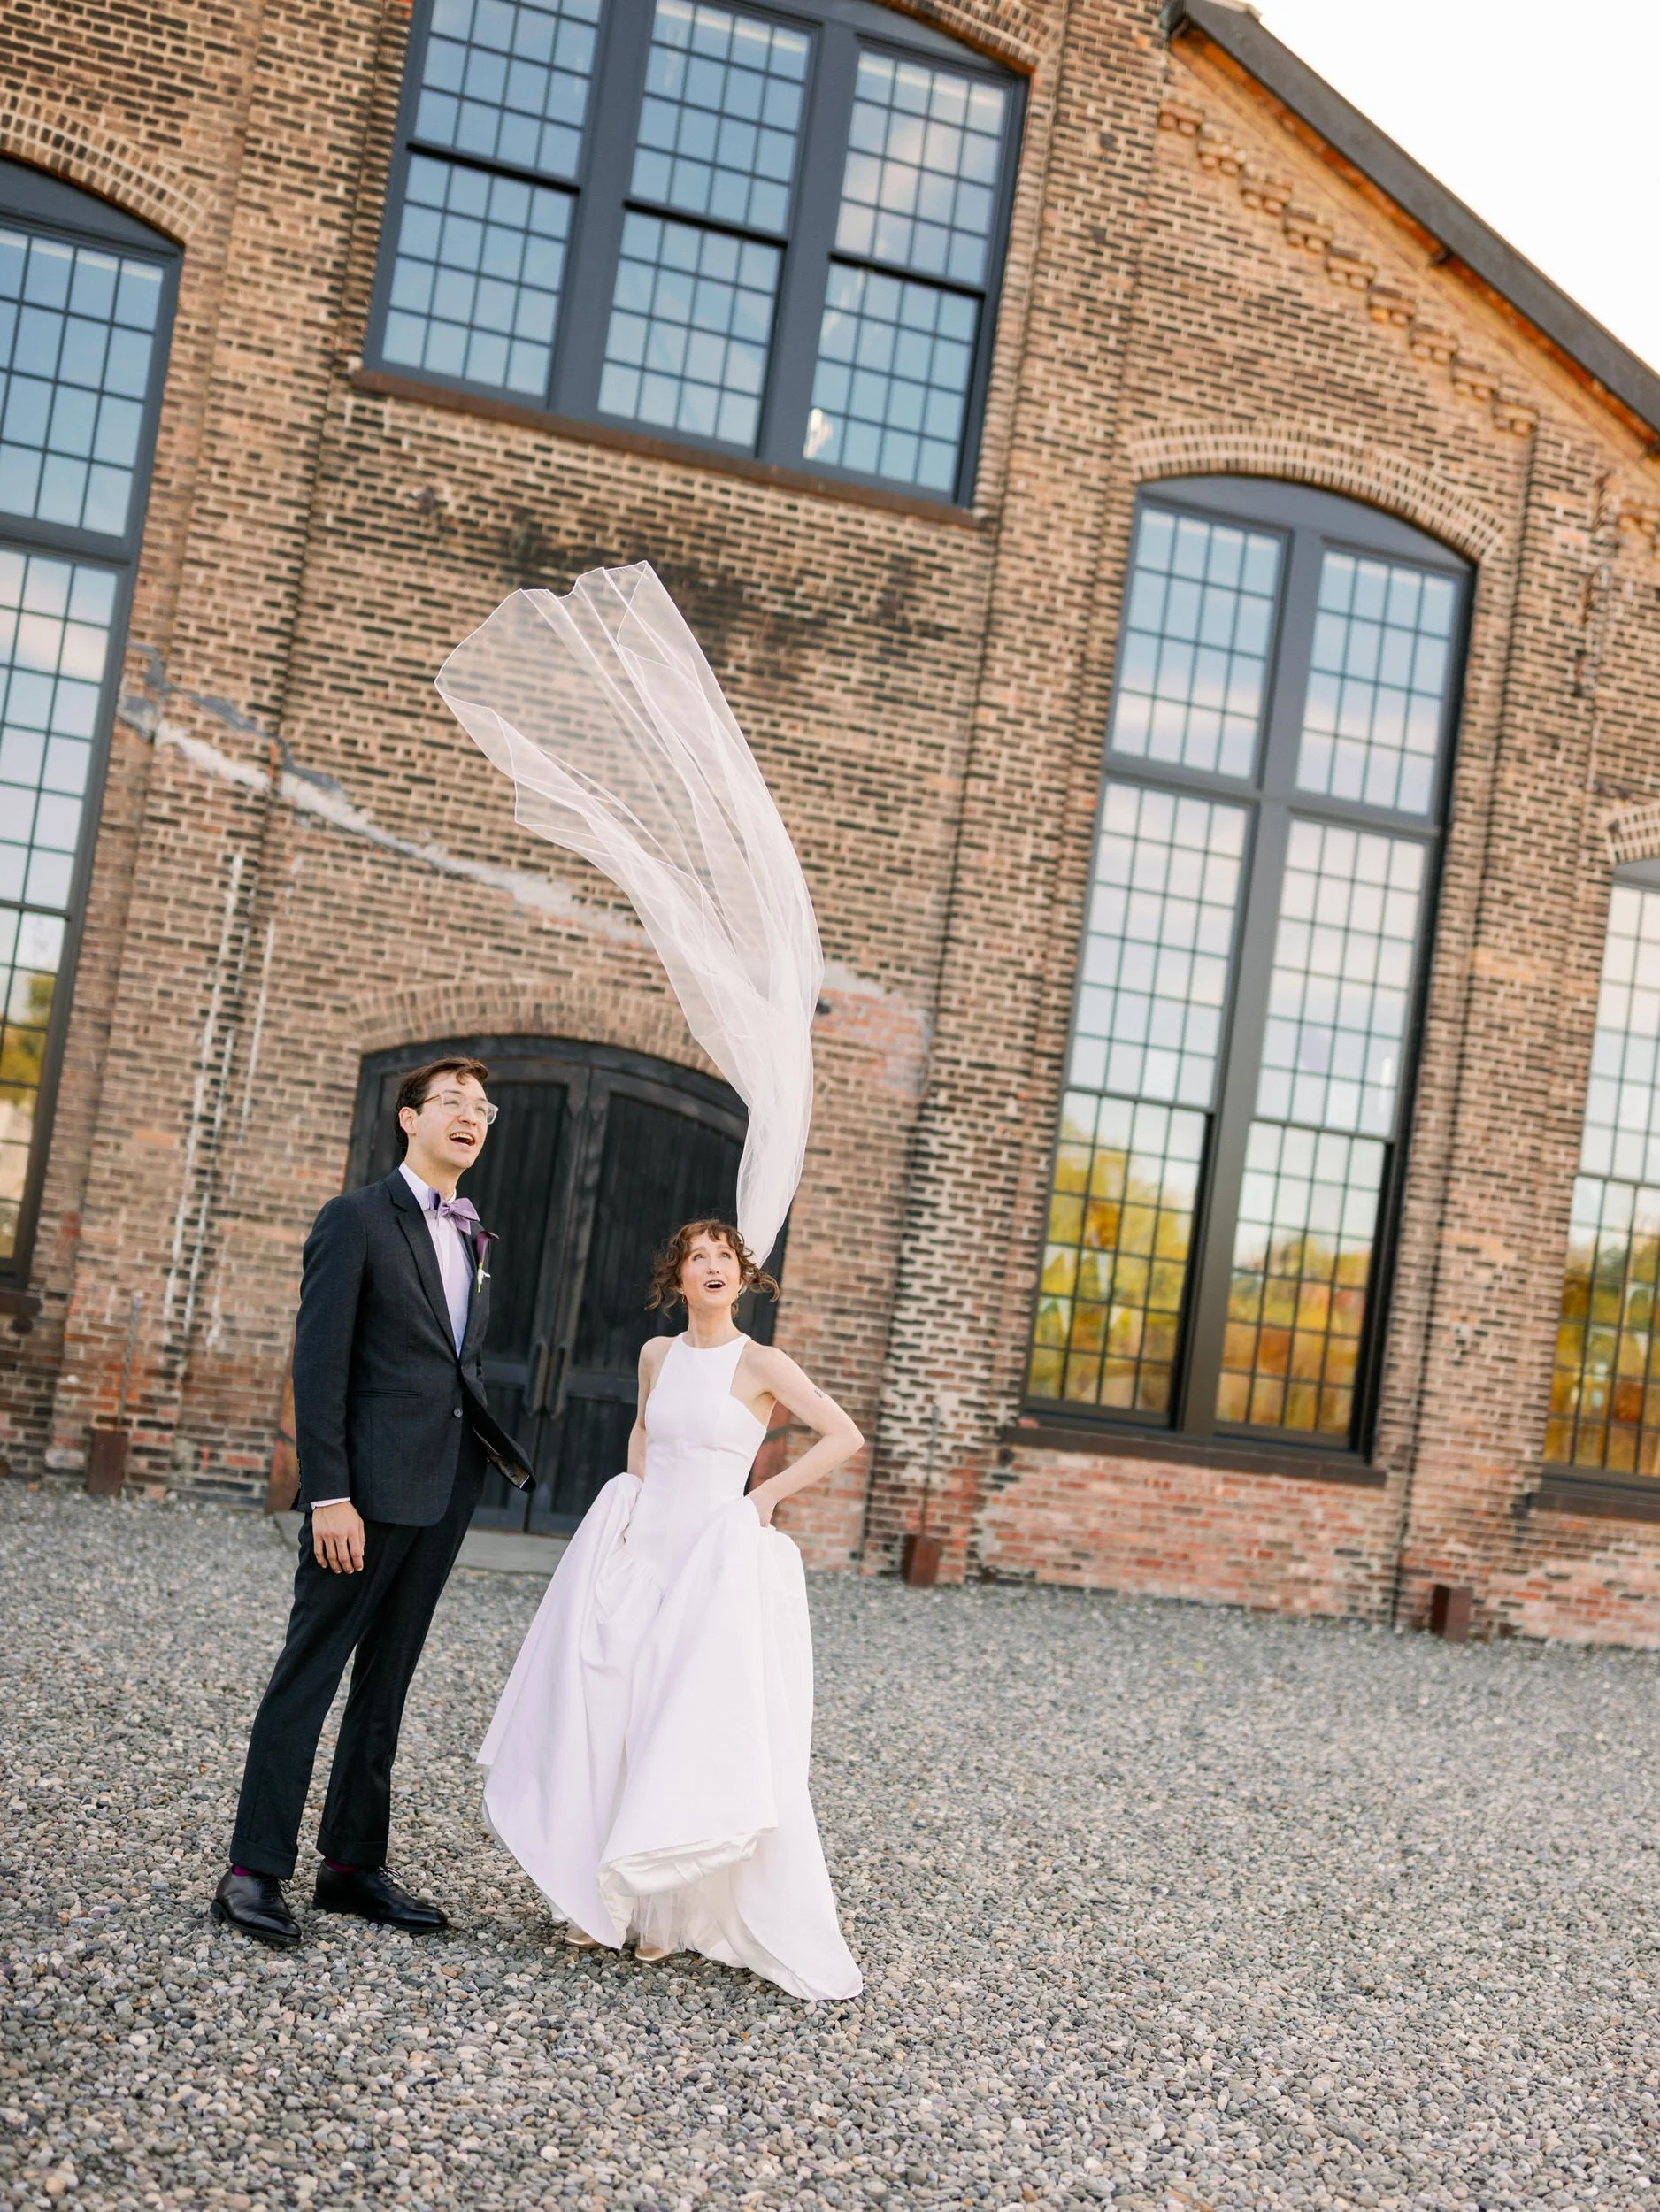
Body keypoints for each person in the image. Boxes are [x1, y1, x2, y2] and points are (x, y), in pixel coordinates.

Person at [479, 1220, 865, 2002]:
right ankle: (597, 1898)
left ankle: (663, 1905)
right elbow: (643, 1437)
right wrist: (629, 1510)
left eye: (726, 1257)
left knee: (680, 1717)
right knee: (611, 1706)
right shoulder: (657, 1355)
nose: (714, 1267)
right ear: (678, 1280)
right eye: (699, 1258)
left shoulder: (761, 1362)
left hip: (714, 1559)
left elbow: (843, 1435)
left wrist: (762, 1500)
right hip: (644, 1552)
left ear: (743, 1277)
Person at [214, 1057, 533, 1947]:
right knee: (309, 1674)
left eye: (482, 1106)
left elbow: (452, 1365)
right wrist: (330, 1495)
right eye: (452, 1103)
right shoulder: (355, 1219)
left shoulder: (474, 1234)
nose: (470, 1116)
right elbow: (318, 1367)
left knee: (386, 1683)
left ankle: (351, 1865)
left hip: (443, 1491)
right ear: (409, 1118)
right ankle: (252, 1870)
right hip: (360, 1496)